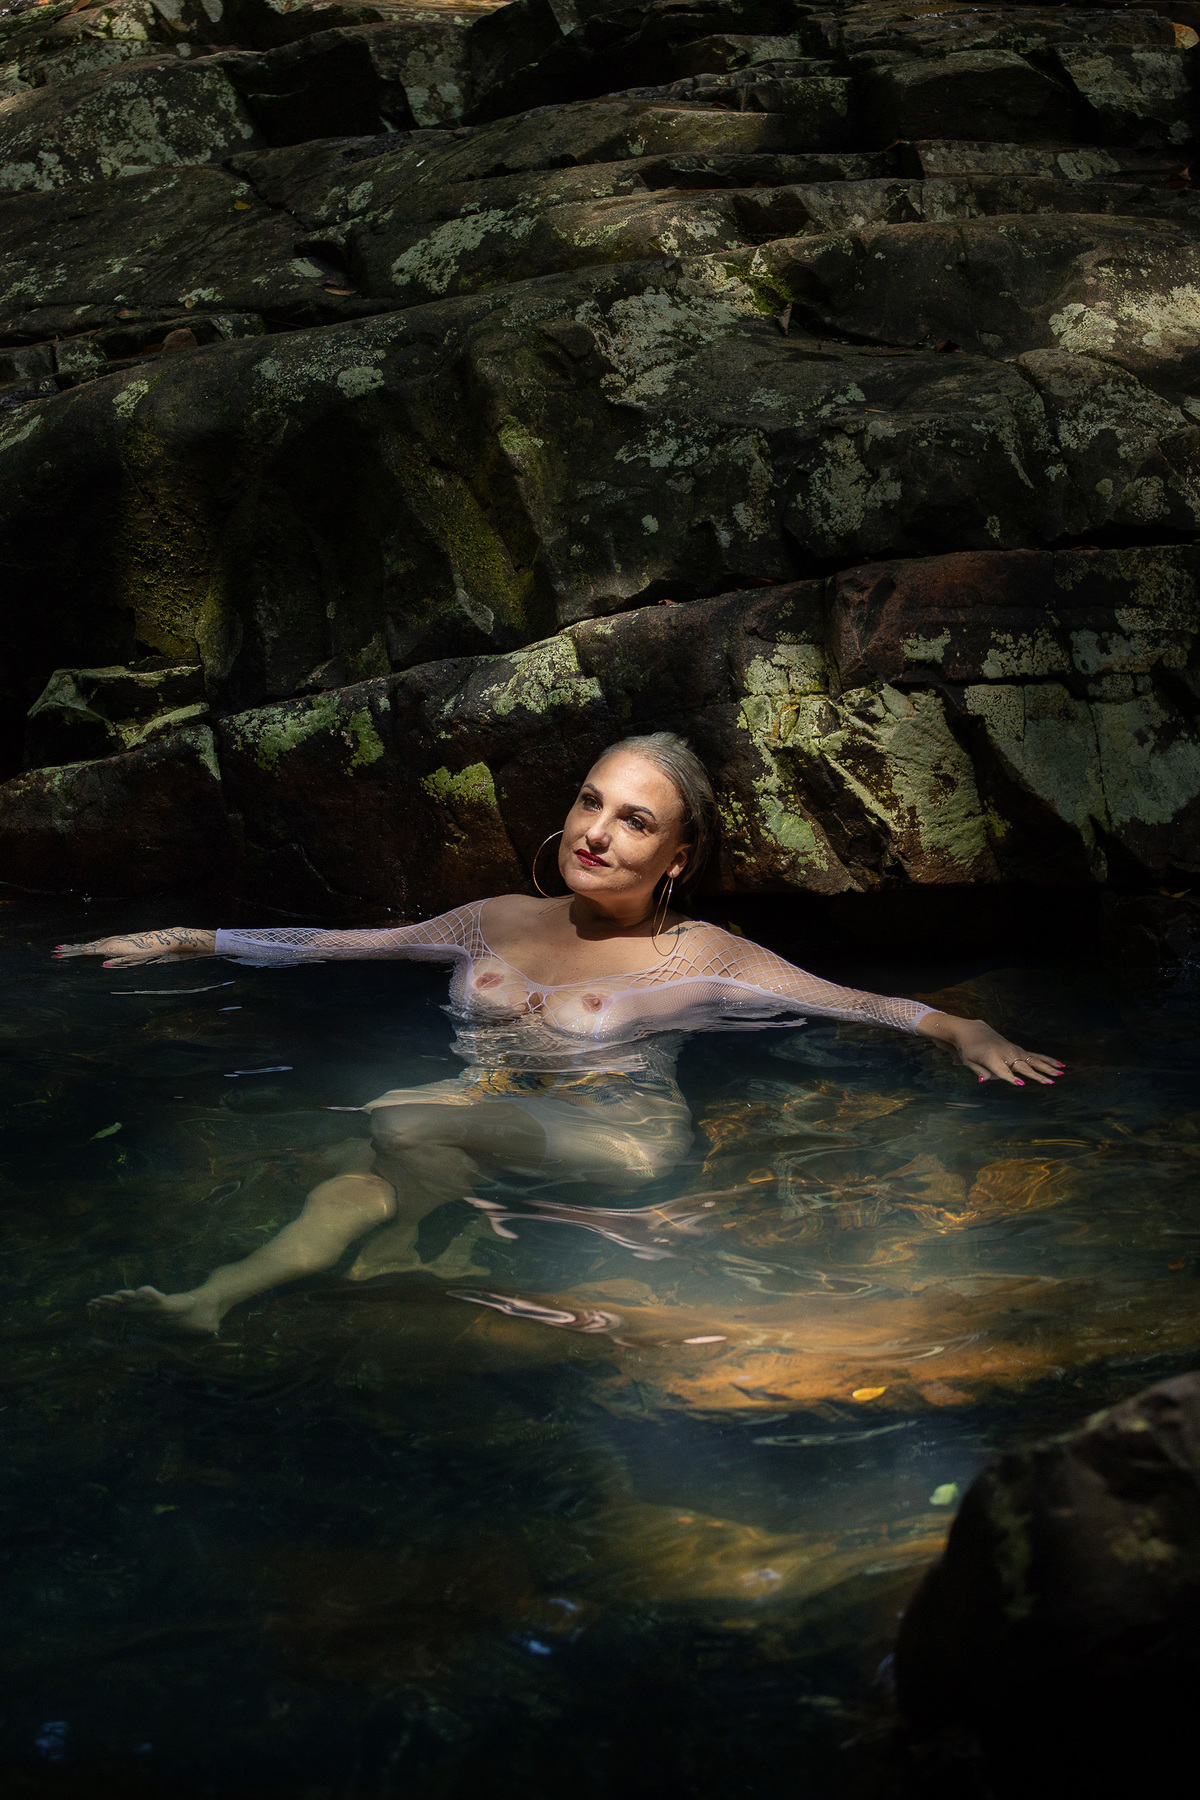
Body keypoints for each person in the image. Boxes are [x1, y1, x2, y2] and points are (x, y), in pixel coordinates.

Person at [56, 733, 1062, 1334]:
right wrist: (186, 937)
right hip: (479, 1119)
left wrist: (959, 1028)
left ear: (678, 855)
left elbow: (856, 1000)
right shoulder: (492, 919)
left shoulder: (705, 954)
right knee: (359, 1180)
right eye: (591, 801)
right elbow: (327, 945)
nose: (596, 831)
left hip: (616, 1137)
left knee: (399, 1123)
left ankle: (414, 1205)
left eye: (633, 821)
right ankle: (210, 1299)